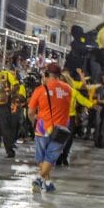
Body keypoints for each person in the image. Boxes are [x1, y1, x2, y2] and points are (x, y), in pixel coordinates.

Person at [27, 63, 72, 192]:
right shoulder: (68, 89)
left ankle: (39, 178)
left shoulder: (40, 90)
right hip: (61, 128)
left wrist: (33, 121)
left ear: (46, 74)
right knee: (51, 156)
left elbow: (30, 112)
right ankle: (47, 183)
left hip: (42, 127)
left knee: (41, 156)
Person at [0, 63, 21, 158]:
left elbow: (16, 85)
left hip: (4, 105)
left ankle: (10, 151)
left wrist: (8, 94)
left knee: (5, 128)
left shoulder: (6, 74)